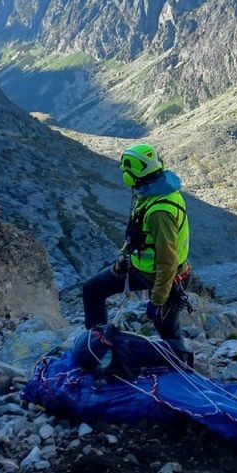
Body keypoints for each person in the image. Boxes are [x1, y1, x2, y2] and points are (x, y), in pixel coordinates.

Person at [81, 143, 192, 349]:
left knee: (166, 328)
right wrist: (124, 257)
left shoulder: (159, 212)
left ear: (135, 176)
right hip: (139, 267)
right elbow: (139, 234)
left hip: (165, 277)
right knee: (92, 289)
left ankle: (181, 362)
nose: (125, 176)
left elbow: (167, 262)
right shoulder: (153, 192)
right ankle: (96, 345)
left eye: (127, 172)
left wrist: (157, 300)